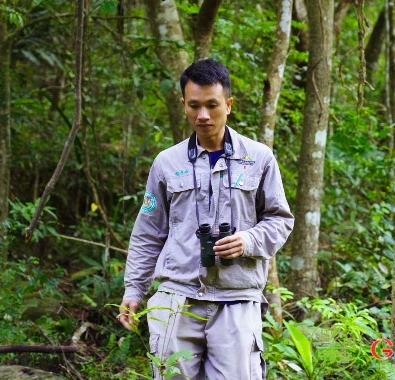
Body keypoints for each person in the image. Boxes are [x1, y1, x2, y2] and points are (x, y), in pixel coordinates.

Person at [119, 58, 294, 379]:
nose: (203, 115)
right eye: (194, 106)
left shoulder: (258, 158)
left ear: (228, 105)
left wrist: (248, 241)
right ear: (184, 105)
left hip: (236, 298)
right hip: (177, 296)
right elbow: (148, 232)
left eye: (212, 105)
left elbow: (280, 220)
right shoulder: (167, 163)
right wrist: (134, 290)